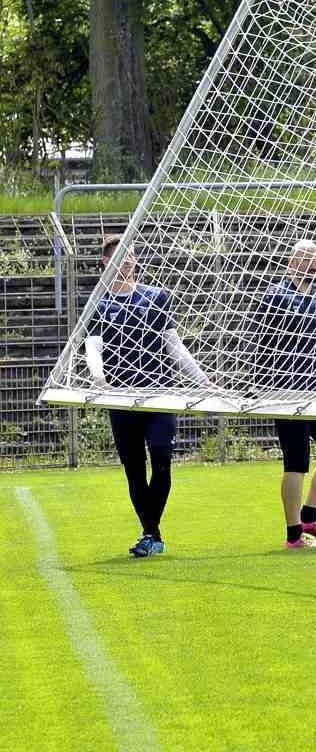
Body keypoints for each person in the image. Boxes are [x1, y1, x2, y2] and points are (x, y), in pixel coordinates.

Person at [85, 234, 212, 558]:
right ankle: (151, 534)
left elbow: (174, 345)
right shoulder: (99, 304)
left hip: (159, 394)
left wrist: (202, 380)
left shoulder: (157, 297)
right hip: (121, 398)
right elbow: (93, 347)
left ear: (136, 259)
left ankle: (149, 532)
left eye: (130, 255)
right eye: (118, 257)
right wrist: (98, 377)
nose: (126, 261)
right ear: (105, 263)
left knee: (162, 460)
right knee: (134, 469)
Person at [254, 239, 316, 550]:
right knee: (296, 462)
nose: (313, 263)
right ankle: (294, 534)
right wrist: (258, 385)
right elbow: (261, 342)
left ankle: (310, 515)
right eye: (307, 257)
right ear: (291, 261)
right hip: (283, 391)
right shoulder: (275, 295)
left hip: (314, 391)